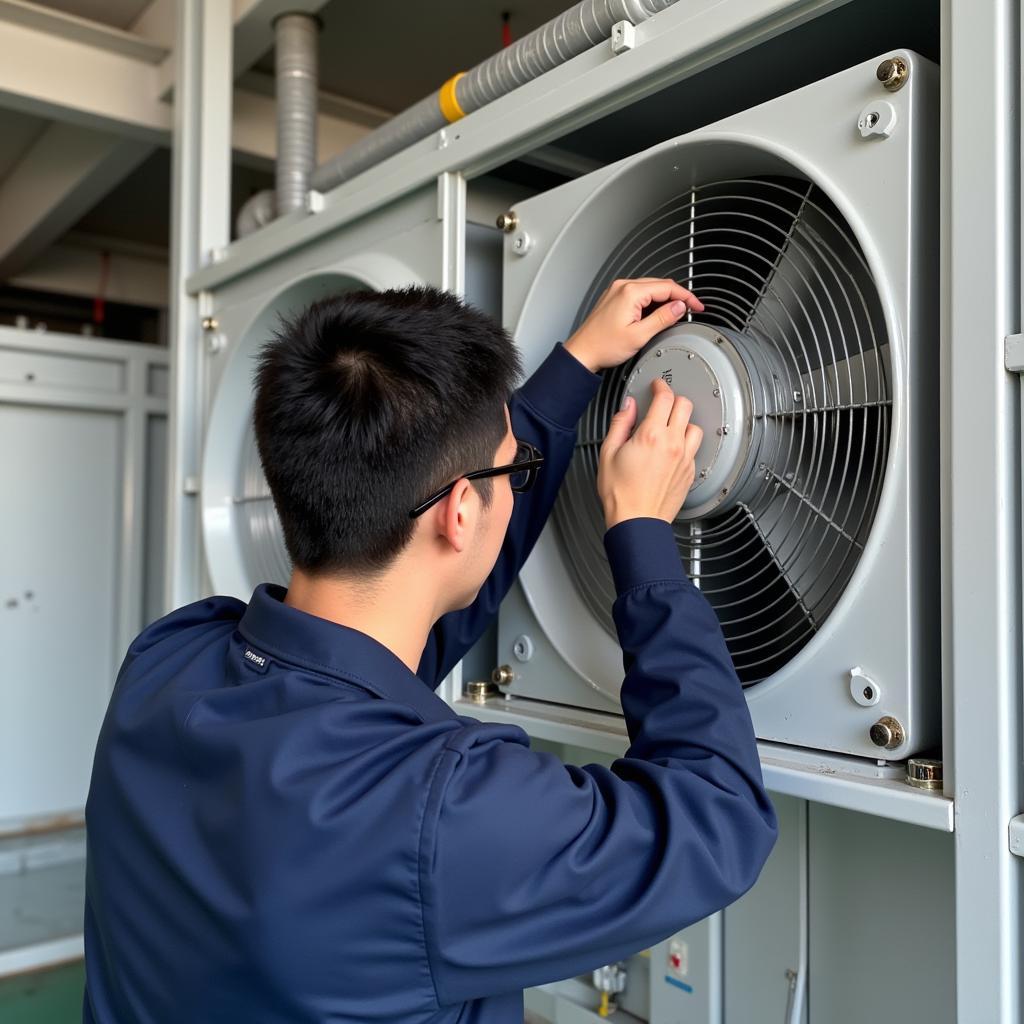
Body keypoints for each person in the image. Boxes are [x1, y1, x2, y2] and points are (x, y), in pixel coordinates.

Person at [83, 279, 777, 1024]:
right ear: (459, 511)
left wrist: (575, 367)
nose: (514, 484)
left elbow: (389, 639)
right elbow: (718, 815)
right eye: (512, 472)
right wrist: (641, 531)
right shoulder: (439, 814)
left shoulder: (166, 661)